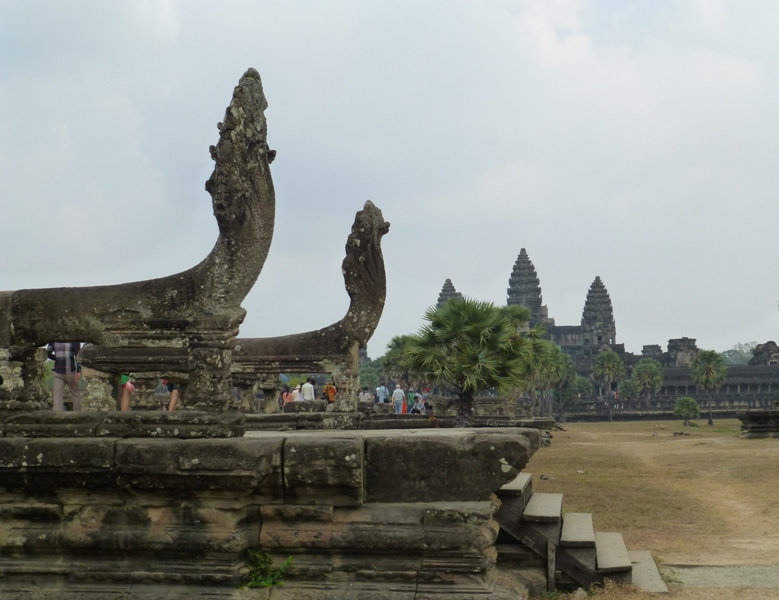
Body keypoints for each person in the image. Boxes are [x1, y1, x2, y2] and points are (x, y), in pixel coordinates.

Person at [46, 342, 82, 411]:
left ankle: (57, 417)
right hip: (71, 371)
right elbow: (78, 356)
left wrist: (57, 358)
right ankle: (77, 416)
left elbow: (48, 353)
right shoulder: (74, 339)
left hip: (58, 371)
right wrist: (78, 370)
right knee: (75, 394)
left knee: (57, 396)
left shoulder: (54, 339)